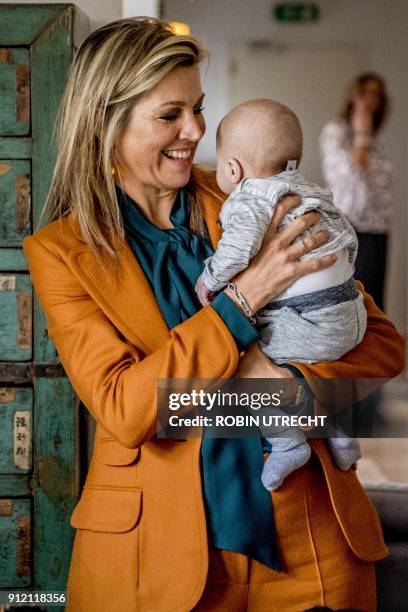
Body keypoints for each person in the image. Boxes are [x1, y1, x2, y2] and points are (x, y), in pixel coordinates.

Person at [22, 18, 404, 612]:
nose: (197, 130)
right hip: (155, 556)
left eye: (197, 108)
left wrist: (285, 391)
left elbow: (381, 343)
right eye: (170, 114)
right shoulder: (61, 253)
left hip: (307, 542)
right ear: (105, 119)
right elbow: (126, 409)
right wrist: (243, 300)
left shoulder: (251, 194)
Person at [195, 99, 364, 492]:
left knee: (244, 363)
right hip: (350, 314)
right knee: (302, 361)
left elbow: (236, 251)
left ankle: (289, 443)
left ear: (231, 168)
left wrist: (209, 279)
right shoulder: (310, 191)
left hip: (309, 320)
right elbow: (348, 238)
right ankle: (335, 428)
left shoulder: (248, 198)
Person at [319, 72, 393, 311]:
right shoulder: (336, 133)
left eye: (377, 94)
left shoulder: (376, 142)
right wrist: (361, 136)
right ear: (354, 96)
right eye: (366, 92)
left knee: (375, 303)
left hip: (378, 230)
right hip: (351, 229)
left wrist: (366, 136)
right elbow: (349, 188)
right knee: (356, 303)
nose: (372, 100)